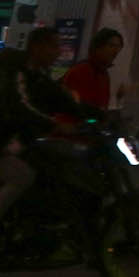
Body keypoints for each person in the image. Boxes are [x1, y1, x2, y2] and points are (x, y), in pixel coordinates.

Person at [0, 27, 85, 227]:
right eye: (53, 46)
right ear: (36, 47)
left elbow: (60, 98)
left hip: (12, 139)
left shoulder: (37, 74)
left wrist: (96, 115)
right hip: (3, 139)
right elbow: (19, 105)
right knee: (22, 176)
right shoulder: (15, 68)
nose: (58, 52)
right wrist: (55, 124)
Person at [61, 29, 123, 113]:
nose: (115, 51)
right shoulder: (81, 71)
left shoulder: (104, 74)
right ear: (97, 46)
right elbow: (70, 108)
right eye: (111, 46)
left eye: (118, 47)